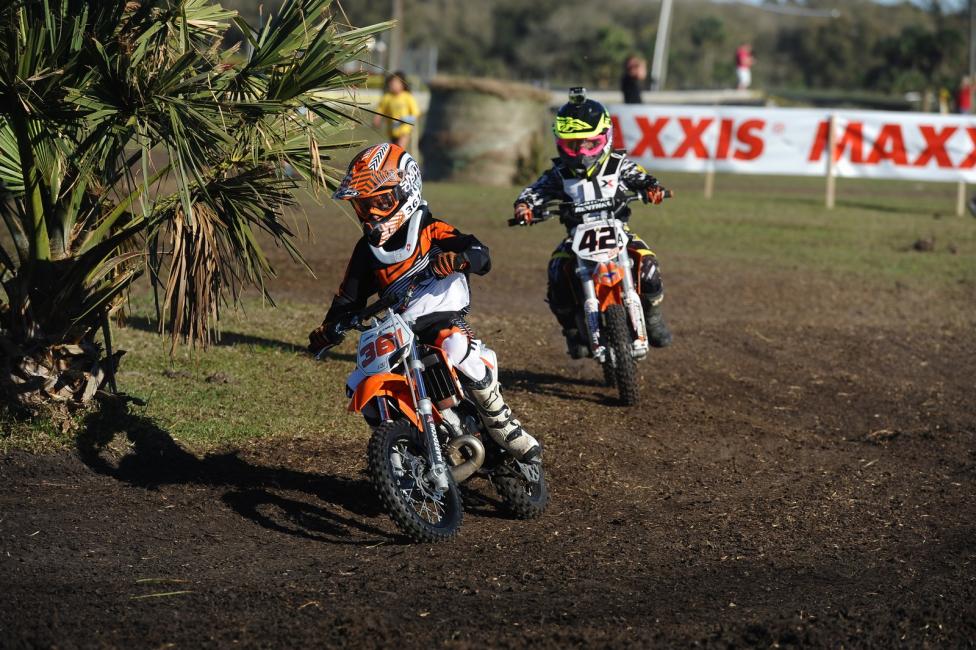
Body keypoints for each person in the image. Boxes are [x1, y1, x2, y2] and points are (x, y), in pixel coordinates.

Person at [309, 143, 541, 462]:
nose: (372, 213)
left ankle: (501, 421)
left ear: (407, 191)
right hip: (398, 329)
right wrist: (328, 329)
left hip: (439, 316)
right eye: (364, 206)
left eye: (380, 201)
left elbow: (480, 254)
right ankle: (404, 451)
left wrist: (458, 259)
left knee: (455, 347)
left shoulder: (429, 229)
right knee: (361, 381)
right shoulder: (366, 250)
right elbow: (348, 299)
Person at [511, 90, 671, 359]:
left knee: (649, 265)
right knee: (557, 275)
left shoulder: (618, 165)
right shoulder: (559, 173)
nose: (581, 152)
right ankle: (572, 331)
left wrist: (653, 188)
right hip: (576, 238)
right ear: (561, 144)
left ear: (605, 138)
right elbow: (534, 192)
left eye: (588, 144)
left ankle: (653, 317)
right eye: (572, 146)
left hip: (619, 233)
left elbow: (642, 177)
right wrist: (525, 206)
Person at [373, 72, 420, 150]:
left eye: (396, 83)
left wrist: (404, 119)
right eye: (391, 83)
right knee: (392, 150)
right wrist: (377, 119)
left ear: (402, 84)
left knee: (399, 148)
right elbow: (380, 110)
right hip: (391, 131)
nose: (393, 85)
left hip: (404, 130)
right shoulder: (387, 98)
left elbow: (415, 113)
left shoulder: (407, 97)